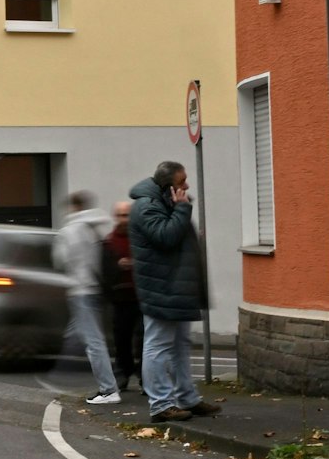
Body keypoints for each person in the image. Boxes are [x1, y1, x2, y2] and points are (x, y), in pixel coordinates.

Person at [130, 161, 219, 423]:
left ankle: (186, 398)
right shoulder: (147, 206)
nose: (187, 186)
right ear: (168, 186)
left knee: (180, 344)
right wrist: (181, 209)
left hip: (174, 287)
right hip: (161, 288)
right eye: (182, 182)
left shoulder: (163, 203)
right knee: (157, 345)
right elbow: (165, 237)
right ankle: (160, 404)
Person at [53, 190, 119, 406]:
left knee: (93, 341)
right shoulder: (95, 227)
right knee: (78, 334)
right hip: (96, 289)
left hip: (79, 289)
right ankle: (60, 372)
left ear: (73, 207)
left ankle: (109, 390)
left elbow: (61, 261)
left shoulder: (69, 231)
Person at [99, 199, 143, 395]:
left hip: (141, 297)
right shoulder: (109, 242)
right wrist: (118, 265)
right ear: (115, 217)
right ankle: (122, 374)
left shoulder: (140, 238)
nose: (124, 219)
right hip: (119, 298)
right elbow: (104, 271)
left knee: (143, 340)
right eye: (120, 215)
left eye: (127, 215)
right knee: (121, 339)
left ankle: (145, 376)